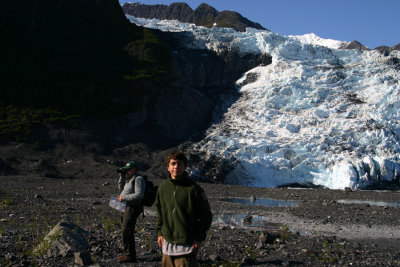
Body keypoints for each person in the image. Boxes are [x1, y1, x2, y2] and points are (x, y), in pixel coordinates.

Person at [156, 151, 212, 267]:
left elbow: (206, 215)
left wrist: (199, 237)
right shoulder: (163, 188)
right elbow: (160, 211)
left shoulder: (194, 189)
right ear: (168, 167)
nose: (176, 167)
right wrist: (160, 232)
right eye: (173, 163)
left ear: (185, 167)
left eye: (180, 164)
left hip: (187, 245)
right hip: (167, 245)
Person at [117, 161, 145, 263]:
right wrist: (121, 177)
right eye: (126, 169)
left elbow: (139, 195)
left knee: (127, 230)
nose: (127, 171)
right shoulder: (129, 179)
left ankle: (130, 255)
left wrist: (124, 198)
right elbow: (121, 189)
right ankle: (127, 253)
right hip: (126, 206)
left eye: (129, 169)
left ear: (135, 169)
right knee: (125, 230)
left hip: (133, 207)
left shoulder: (138, 179)